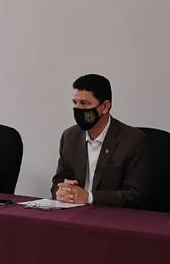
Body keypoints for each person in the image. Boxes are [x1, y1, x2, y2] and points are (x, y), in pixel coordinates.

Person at [50, 74, 150, 208]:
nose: (78, 108)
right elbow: (58, 181)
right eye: (75, 102)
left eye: (84, 103)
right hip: (73, 213)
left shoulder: (133, 140)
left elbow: (136, 195)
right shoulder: (70, 137)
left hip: (111, 216)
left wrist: (89, 197)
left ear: (105, 107)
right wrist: (62, 192)